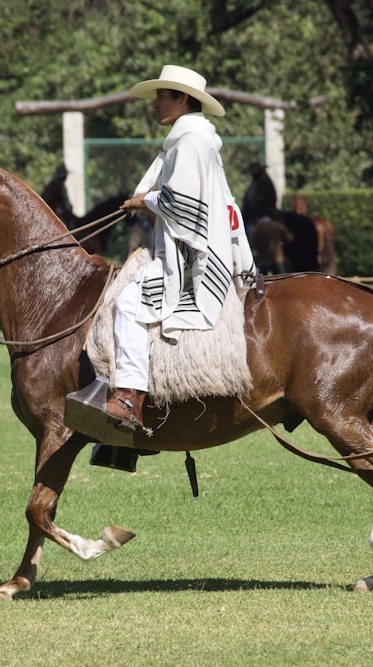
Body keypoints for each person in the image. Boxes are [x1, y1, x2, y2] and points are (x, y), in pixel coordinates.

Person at [106, 65, 256, 431]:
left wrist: (146, 201)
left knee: (127, 302)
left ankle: (130, 397)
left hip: (197, 261)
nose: (154, 103)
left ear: (182, 99)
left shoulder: (190, 142)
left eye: (161, 95)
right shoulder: (194, 139)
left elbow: (184, 204)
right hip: (203, 249)